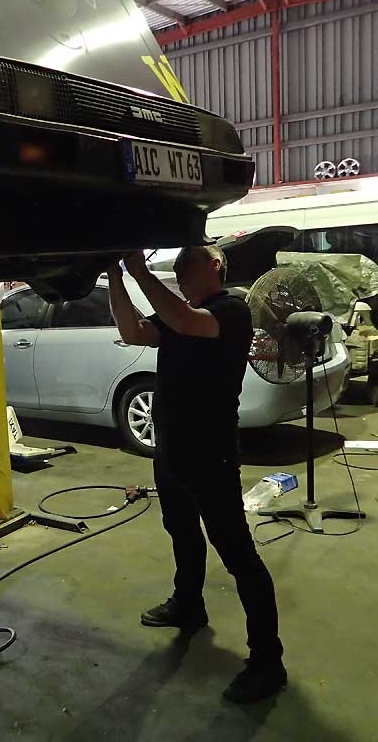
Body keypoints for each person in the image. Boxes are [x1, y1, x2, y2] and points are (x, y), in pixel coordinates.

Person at [107, 246, 286, 704]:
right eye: (178, 265)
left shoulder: (230, 309)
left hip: (211, 454)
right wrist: (115, 277)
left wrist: (140, 271)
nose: (181, 270)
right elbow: (132, 331)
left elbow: (187, 322)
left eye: (190, 263)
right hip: (171, 450)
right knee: (182, 531)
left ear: (215, 266)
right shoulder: (178, 313)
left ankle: (268, 661)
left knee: (238, 553)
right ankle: (188, 604)